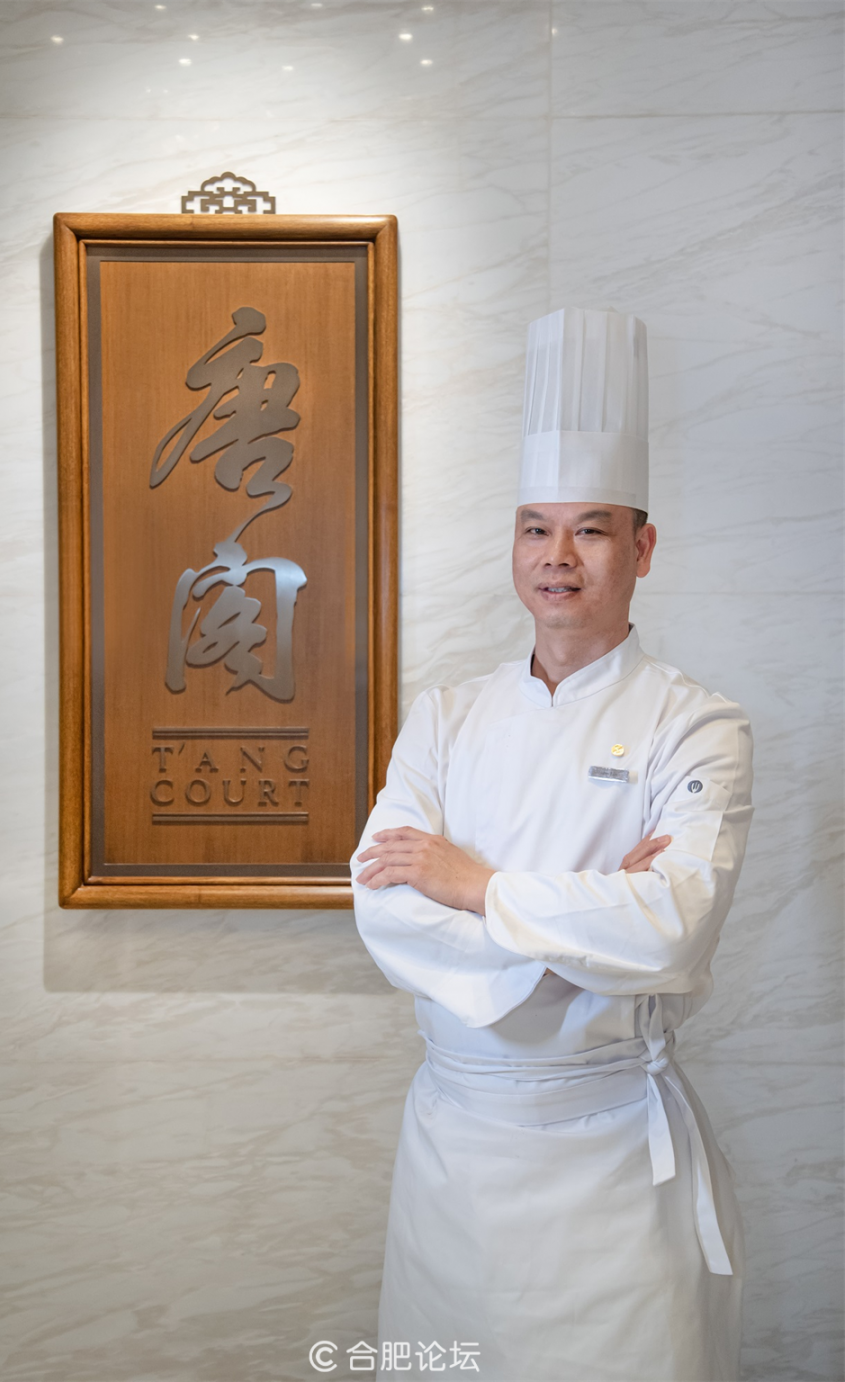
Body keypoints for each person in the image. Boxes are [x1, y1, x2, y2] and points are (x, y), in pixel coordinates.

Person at [350, 307, 753, 1382]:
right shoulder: (445, 716)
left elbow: (672, 927)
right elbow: (386, 908)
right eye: (536, 529)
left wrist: (473, 883)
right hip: (454, 1154)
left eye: (591, 530)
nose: (557, 558)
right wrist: (588, 917)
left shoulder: (697, 724)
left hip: (611, 1156)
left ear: (643, 548)